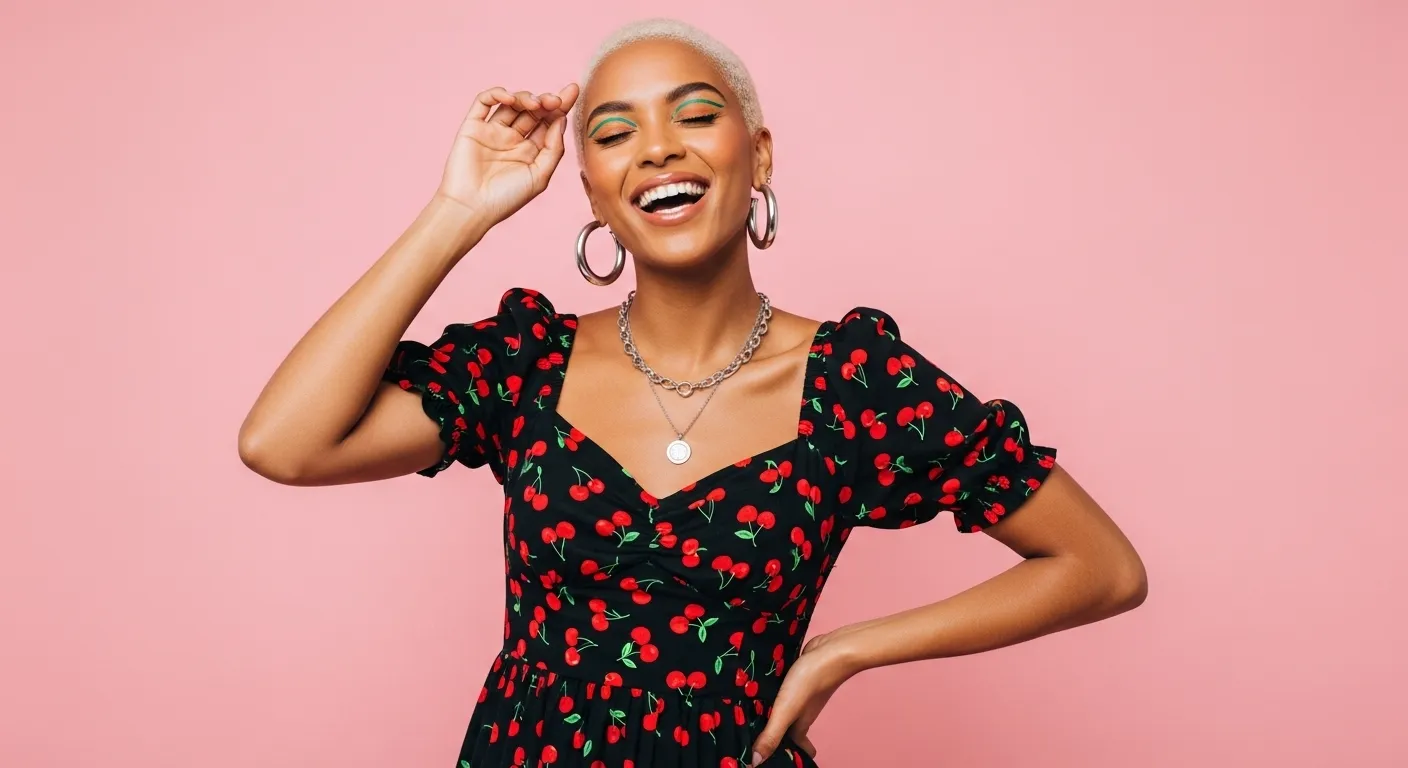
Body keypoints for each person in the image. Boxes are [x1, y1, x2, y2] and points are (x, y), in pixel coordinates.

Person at [238, 17, 1147, 768]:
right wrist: (459, 210)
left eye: (696, 115)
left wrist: (846, 650)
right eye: (614, 133)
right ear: (592, 192)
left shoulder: (855, 385)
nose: (658, 147)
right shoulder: (526, 366)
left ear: (759, 156)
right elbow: (284, 443)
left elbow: (1102, 568)